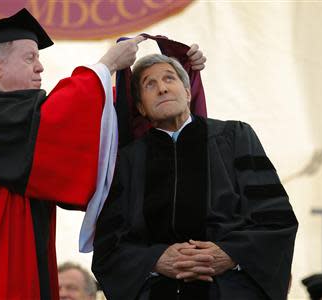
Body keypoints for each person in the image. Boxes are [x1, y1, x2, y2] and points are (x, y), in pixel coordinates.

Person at [0, 8, 206, 300]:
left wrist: (180, 70)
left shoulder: (21, 114)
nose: (40, 66)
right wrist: (106, 66)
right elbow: (56, 121)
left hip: (28, 261)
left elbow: (111, 123)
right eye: (30, 57)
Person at [92, 54, 298, 300]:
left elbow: (276, 220)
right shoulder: (128, 161)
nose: (162, 88)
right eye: (150, 84)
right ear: (140, 107)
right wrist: (155, 260)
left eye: (169, 78)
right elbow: (109, 246)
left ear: (188, 92)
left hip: (229, 290)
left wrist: (230, 255)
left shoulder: (234, 137)